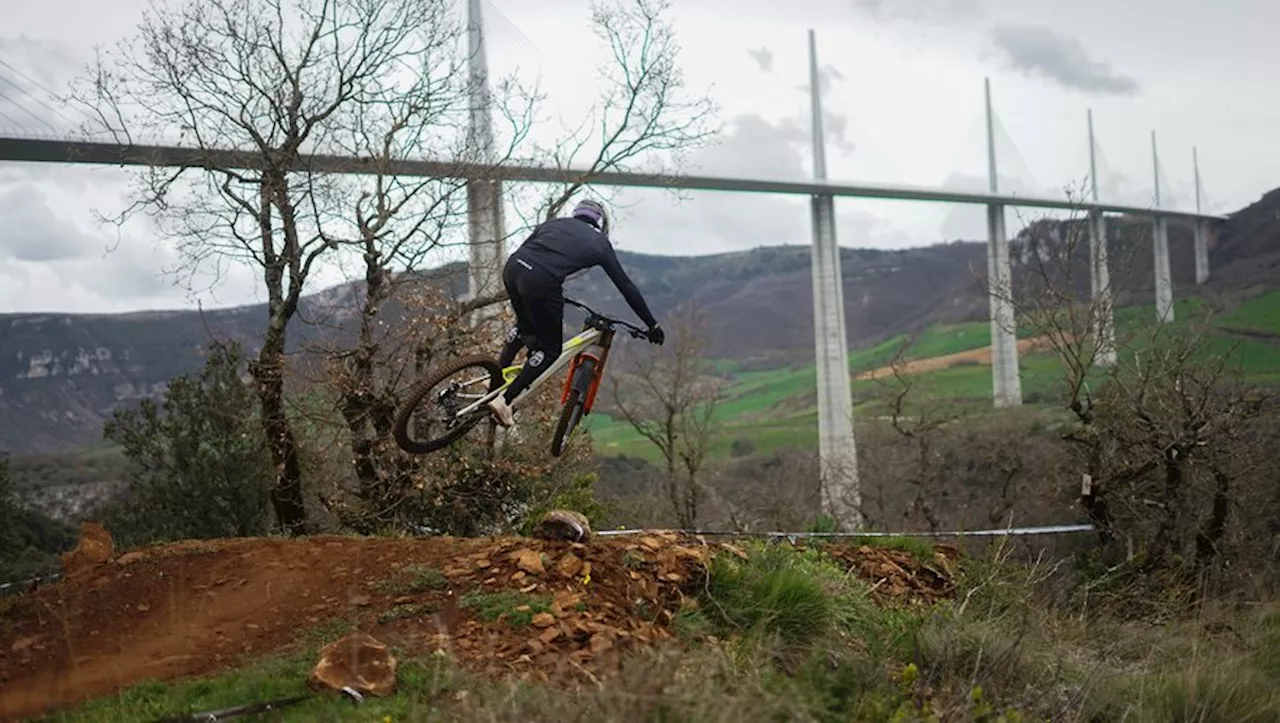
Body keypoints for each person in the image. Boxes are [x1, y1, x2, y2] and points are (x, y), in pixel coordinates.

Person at [488, 198, 664, 428]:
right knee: (550, 350)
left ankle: (494, 382)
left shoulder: (553, 224)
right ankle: (504, 401)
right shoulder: (600, 243)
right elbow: (627, 287)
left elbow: (532, 251)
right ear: (600, 223)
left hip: (513, 267)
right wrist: (652, 325)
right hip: (541, 280)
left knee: (524, 327)